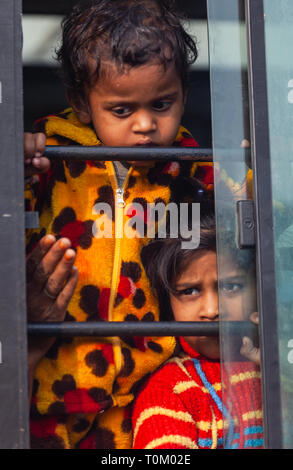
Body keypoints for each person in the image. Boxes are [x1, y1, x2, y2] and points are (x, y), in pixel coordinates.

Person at [24, 0, 214, 449]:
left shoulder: (191, 172)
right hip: (54, 385)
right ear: (82, 104)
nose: (146, 125)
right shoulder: (51, 160)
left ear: (184, 95)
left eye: (162, 104)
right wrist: (21, 161)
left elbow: (253, 218)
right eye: (122, 110)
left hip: (144, 393)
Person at [132, 207, 263, 449]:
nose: (212, 310)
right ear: (168, 304)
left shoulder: (276, 365)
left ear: (259, 286)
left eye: (231, 286)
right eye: (190, 291)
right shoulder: (170, 391)